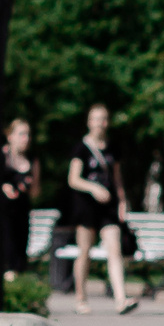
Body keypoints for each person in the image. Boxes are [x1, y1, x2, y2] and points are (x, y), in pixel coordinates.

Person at [67, 103, 132, 313]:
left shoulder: (113, 148)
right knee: (84, 252)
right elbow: (73, 179)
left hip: (108, 208)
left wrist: (122, 201)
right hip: (86, 208)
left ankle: (121, 299)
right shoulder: (81, 149)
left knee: (114, 249)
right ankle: (81, 299)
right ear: (89, 122)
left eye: (104, 119)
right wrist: (93, 188)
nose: (100, 123)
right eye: (96, 119)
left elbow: (117, 178)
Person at [0, 118, 37, 282]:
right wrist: (3, 187)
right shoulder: (1, 157)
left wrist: (28, 186)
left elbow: (35, 192)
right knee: (7, 253)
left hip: (22, 212)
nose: (25, 139)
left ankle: (17, 286)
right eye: (21, 134)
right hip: (4, 214)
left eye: (27, 135)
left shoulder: (32, 160)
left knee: (21, 254)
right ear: (10, 136)